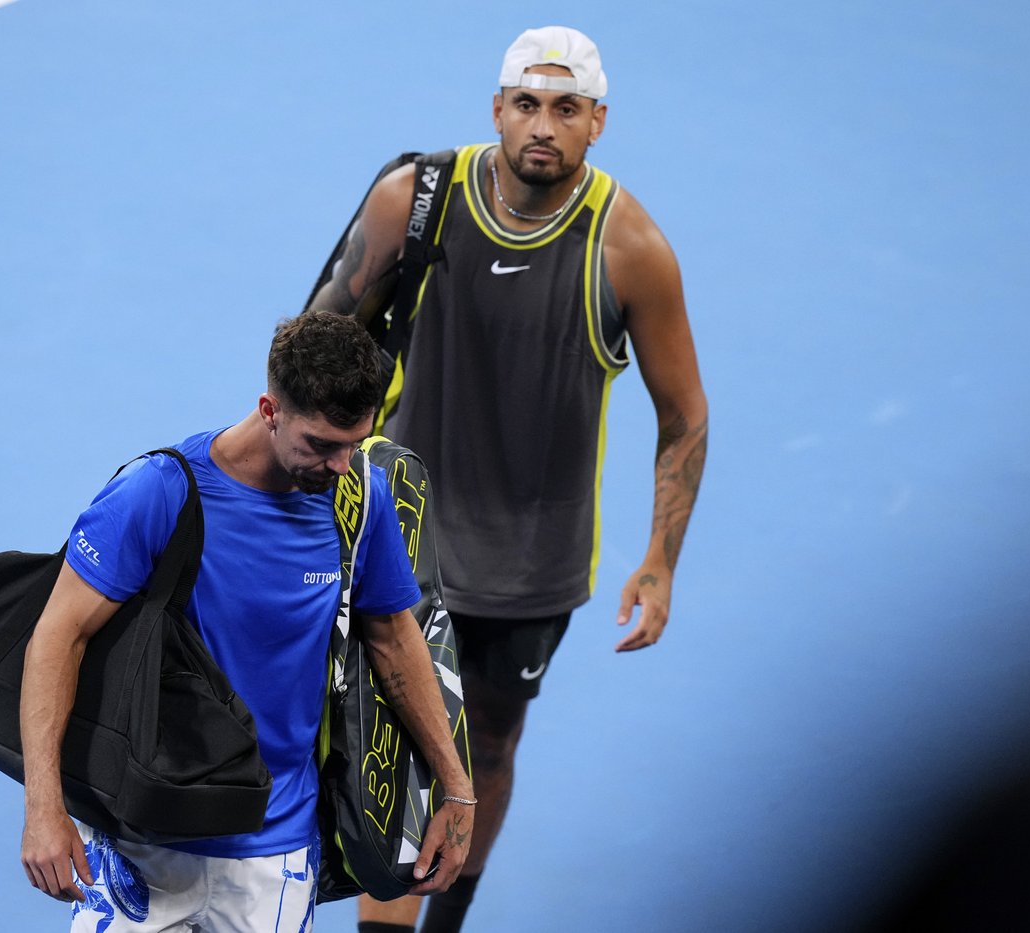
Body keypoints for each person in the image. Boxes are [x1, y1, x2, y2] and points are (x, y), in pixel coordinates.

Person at [307, 25, 709, 933]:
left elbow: (684, 416)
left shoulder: (631, 249)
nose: (543, 125)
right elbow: (315, 343)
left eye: (566, 109)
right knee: (401, 743)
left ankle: (444, 920)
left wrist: (659, 559)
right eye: (527, 103)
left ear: (597, 123)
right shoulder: (411, 201)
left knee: (489, 740)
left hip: (535, 566)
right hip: (401, 539)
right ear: (497, 108)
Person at [18, 311, 475, 932]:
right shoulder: (162, 492)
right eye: (320, 444)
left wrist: (455, 783)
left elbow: (395, 639)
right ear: (270, 409)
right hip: (143, 845)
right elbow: (58, 635)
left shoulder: (360, 499)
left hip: (276, 857)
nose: (342, 465)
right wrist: (44, 805)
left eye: (354, 442)